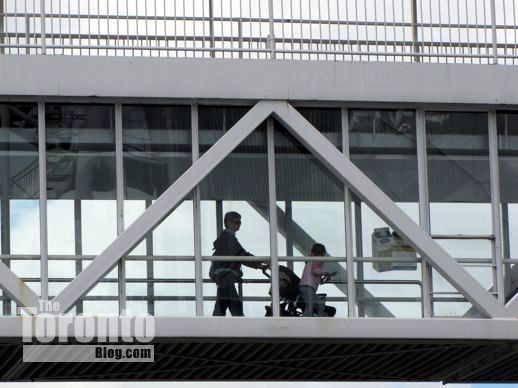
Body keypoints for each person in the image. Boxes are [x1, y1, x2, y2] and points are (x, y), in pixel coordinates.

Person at [210, 211, 268, 316]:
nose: (239, 224)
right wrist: (260, 262)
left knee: (221, 307)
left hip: (223, 278)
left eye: (240, 222)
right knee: (235, 308)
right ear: (228, 223)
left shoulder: (225, 238)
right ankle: (241, 327)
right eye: (236, 222)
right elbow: (242, 255)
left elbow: (240, 255)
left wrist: (259, 265)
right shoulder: (228, 238)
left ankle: (215, 327)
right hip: (226, 277)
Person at [298, 243, 335, 317]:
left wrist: (321, 278)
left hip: (306, 285)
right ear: (322, 252)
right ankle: (306, 322)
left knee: (319, 304)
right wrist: (325, 273)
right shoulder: (318, 259)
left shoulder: (310, 259)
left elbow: (314, 273)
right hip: (308, 285)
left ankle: (322, 316)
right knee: (310, 307)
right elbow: (315, 271)